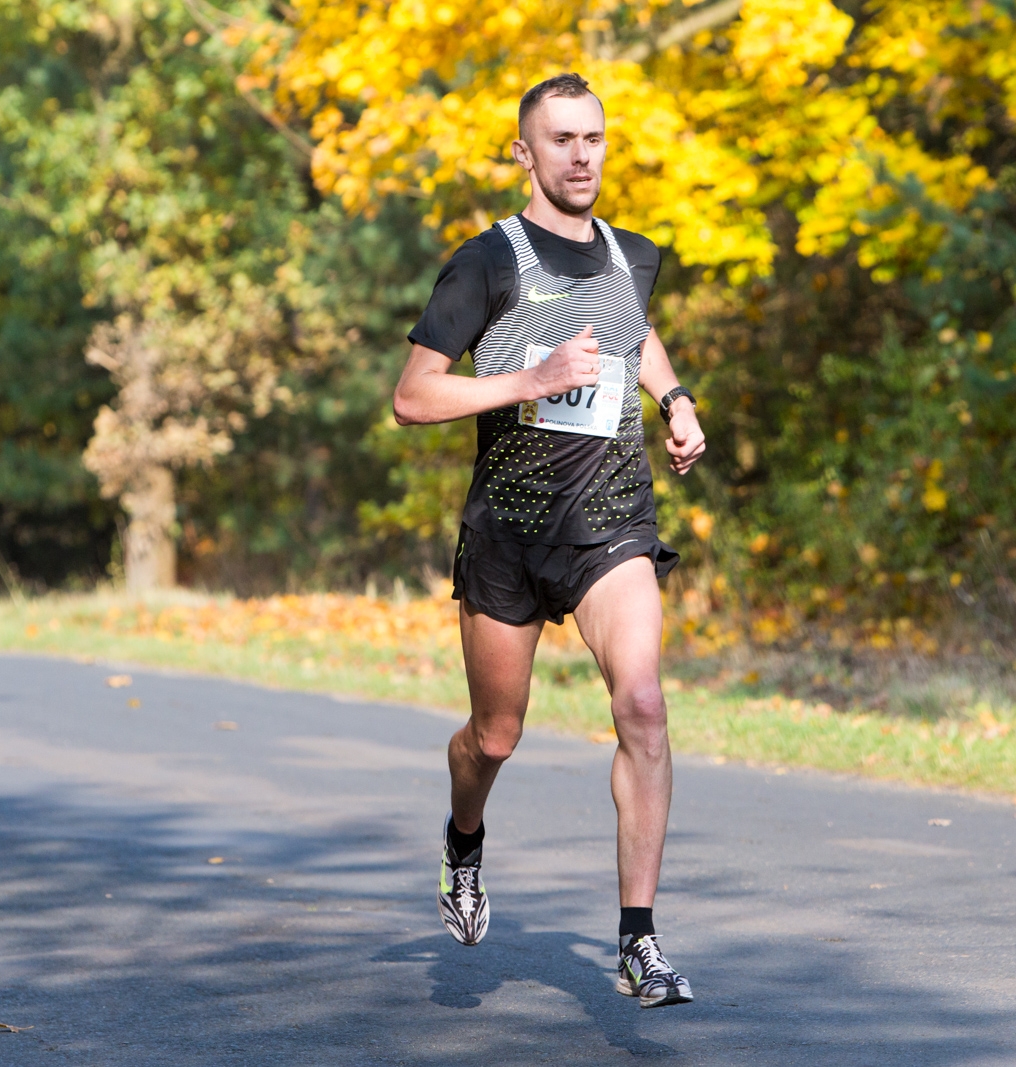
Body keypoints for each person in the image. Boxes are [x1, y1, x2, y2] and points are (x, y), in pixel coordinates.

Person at [393, 72, 706, 1009]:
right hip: (509, 536)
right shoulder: (486, 262)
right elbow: (414, 398)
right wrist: (526, 381)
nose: (582, 156)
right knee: (495, 735)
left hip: (611, 524)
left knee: (643, 705)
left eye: (595, 138)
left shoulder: (632, 255)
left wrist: (676, 398)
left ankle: (639, 942)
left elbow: (631, 332)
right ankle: (463, 842)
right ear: (525, 154)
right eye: (562, 140)